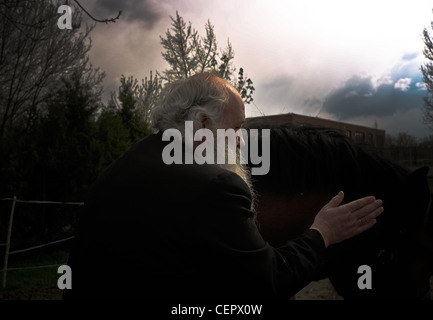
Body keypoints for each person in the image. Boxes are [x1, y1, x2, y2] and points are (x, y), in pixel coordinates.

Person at [63, 72, 383, 300]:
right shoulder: (215, 185)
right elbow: (265, 284)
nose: (242, 141)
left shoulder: (123, 166)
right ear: (203, 123)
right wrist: (323, 232)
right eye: (238, 127)